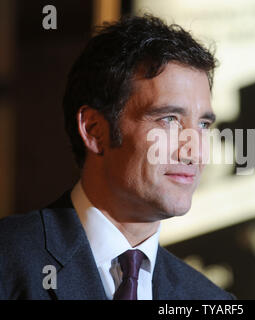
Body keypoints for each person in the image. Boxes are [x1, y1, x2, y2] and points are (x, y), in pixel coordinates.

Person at [0, 14, 234, 300]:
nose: (195, 151)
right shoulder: (8, 261)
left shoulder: (210, 300)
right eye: (169, 120)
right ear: (94, 131)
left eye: (203, 125)